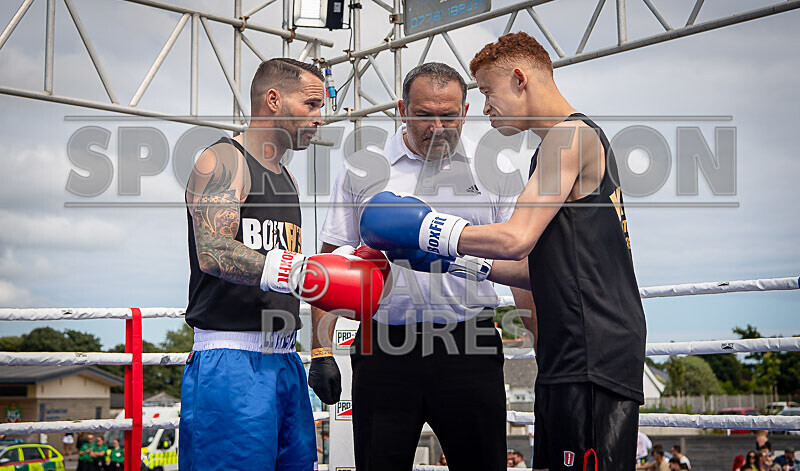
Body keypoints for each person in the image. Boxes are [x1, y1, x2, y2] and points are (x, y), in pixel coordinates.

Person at [358, 32, 646, 470]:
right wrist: (453, 259)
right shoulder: (556, 146)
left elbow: (515, 239)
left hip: (593, 343)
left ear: (519, 79)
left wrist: (427, 229)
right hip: (570, 342)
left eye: (489, 92)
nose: (487, 107)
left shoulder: (569, 137)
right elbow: (532, 268)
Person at [310, 62, 535, 471]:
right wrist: (321, 349)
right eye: (424, 115)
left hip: (470, 342)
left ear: (465, 111)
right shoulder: (364, 168)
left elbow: (521, 261)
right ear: (402, 109)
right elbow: (330, 261)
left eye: (448, 115)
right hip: (383, 347)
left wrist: (542, 341)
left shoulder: (496, 171)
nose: (438, 126)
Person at [180, 57, 386, 471]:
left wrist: (322, 347)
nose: (319, 118)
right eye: (311, 105)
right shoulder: (223, 160)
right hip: (231, 358)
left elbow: (292, 266)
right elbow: (214, 251)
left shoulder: (286, 178)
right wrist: (302, 271)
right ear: (273, 100)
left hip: (285, 359)